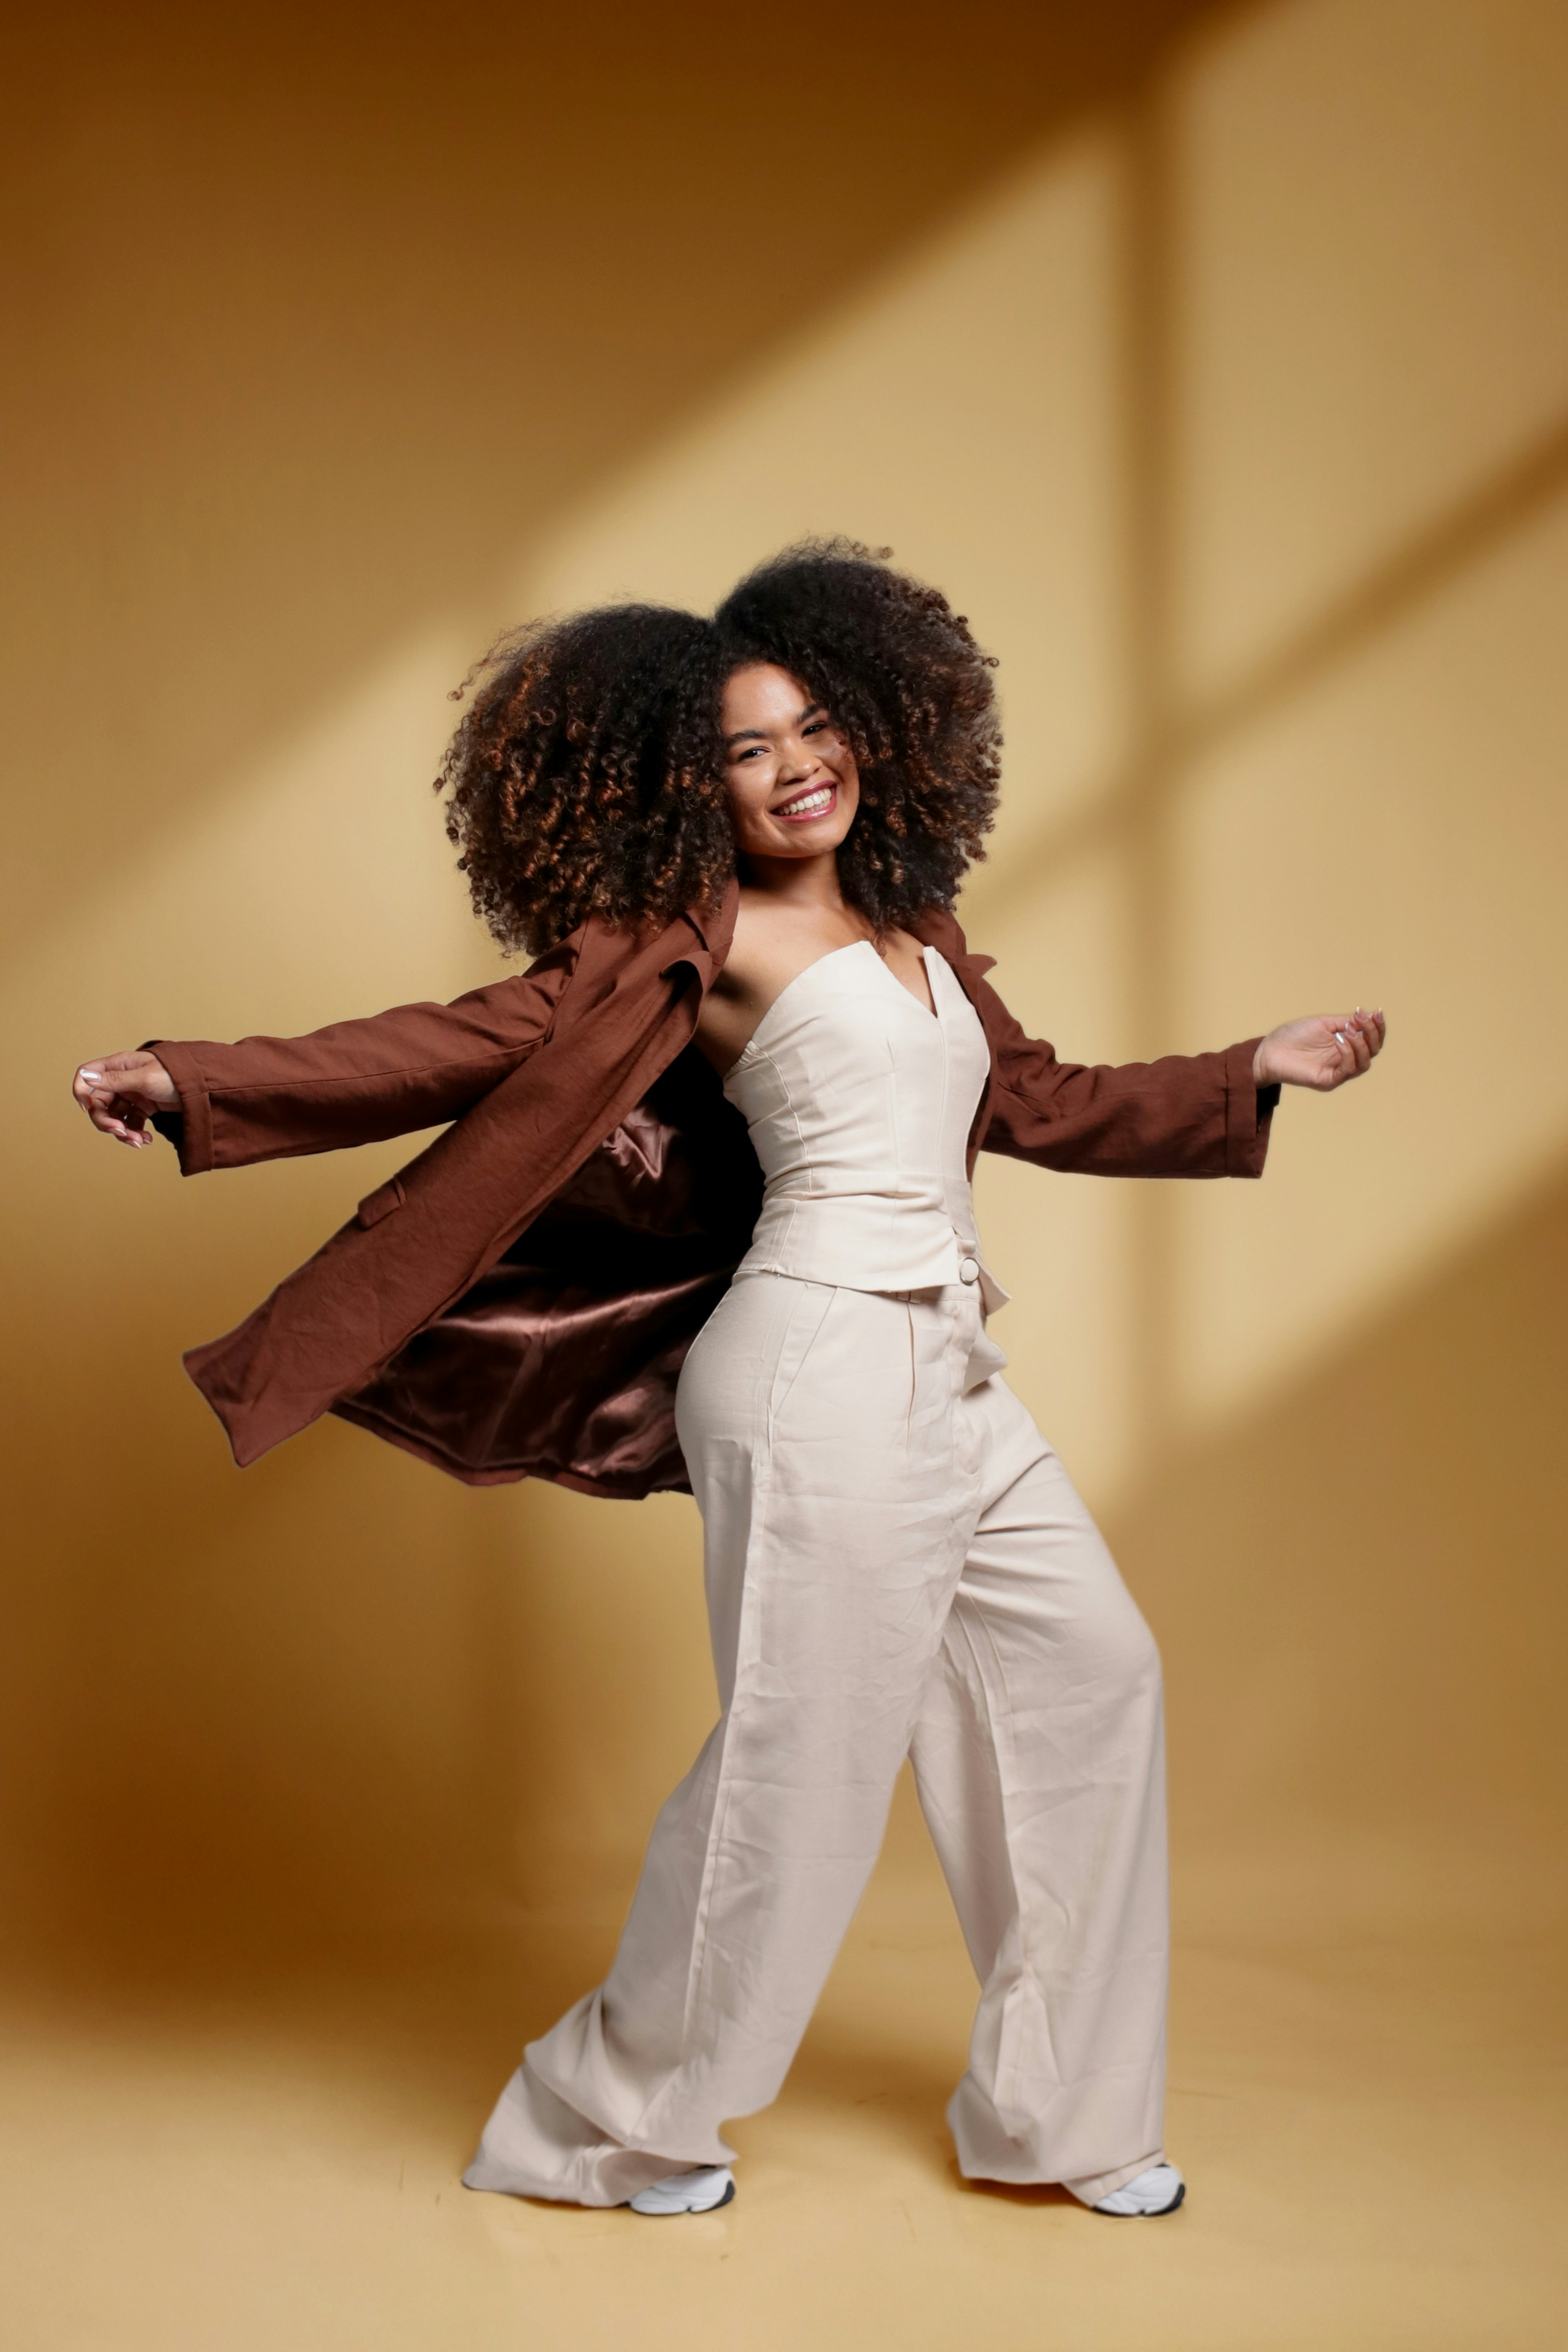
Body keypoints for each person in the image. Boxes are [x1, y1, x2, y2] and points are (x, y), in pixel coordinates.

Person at [73, 540, 1384, 2220]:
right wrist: (185, 1079)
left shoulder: (915, 928)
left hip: (951, 1363)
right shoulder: (685, 939)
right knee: (802, 1755)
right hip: (815, 1362)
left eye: (814, 726)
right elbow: (452, 1042)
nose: (794, 767)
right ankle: (611, 2122)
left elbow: (1037, 1101)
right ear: (686, 789)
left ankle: (1062, 2119)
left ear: (875, 725)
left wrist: (1249, 1070)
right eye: (745, 749)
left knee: (1089, 1676)